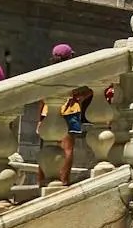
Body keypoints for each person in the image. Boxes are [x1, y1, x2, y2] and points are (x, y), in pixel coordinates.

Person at [39, 44, 94, 187]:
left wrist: (39, 118)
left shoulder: (47, 72)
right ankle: (64, 180)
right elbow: (91, 88)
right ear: (70, 56)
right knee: (67, 148)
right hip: (70, 110)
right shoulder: (75, 72)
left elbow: (41, 96)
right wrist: (81, 96)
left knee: (47, 147)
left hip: (48, 110)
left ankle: (43, 180)